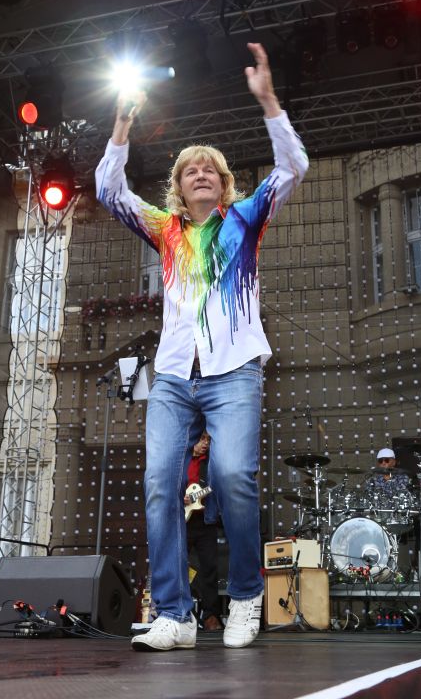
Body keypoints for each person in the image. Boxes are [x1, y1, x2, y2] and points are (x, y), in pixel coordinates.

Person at [95, 42, 309, 651]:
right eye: (190, 169)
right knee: (160, 485)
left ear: (224, 183)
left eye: (210, 169)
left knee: (234, 474)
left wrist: (268, 102)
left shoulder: (245, 219)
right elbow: (109, 190)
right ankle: (175, 614)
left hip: (234, 371)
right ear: (179, 186)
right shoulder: (165, 230)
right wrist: (122, 124)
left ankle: (244, 597)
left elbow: (293, 167)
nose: (200, 174)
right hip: (172, 377)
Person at [184, 432, 223, 631]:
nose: (205, 443)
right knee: (177, 566)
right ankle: (179, 611)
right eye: (202, 439)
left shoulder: (211, 462)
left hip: (205, 520)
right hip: (182, 521)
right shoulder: (181, 459)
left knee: (209, 568)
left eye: (208, 440)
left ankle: (211, 615)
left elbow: (216, 485)